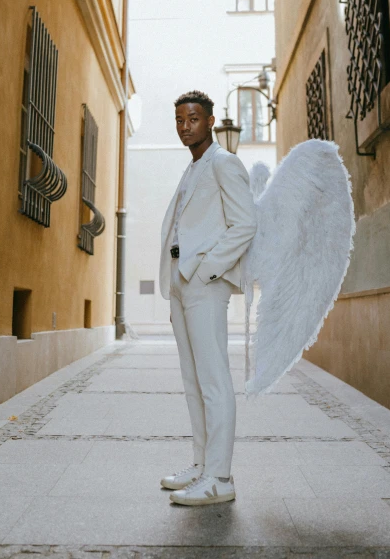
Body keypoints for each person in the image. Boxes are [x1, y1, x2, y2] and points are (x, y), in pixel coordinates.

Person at [158, 90, 257, 506]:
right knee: (193, 381)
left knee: (214, 381)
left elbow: (245, 224)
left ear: (211, 121)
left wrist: (207, 269)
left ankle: (221, 477)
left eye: (193, 119)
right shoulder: (192, 168)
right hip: (180, 283)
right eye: (180, 119)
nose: (186, 126)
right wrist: (182, 276)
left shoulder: (224, 163)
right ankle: (201, 467)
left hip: (204, 282)